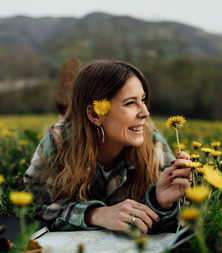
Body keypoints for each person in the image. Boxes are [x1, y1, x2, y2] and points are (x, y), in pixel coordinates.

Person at [24, 60, 192, 234]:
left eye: (143, 100)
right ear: (95, 114)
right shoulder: (59, 141)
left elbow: (174, 226)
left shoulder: (152, 141)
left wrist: (160, 203)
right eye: (130, 103)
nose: (145, 112)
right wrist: (95, 214)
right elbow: (37, 211)